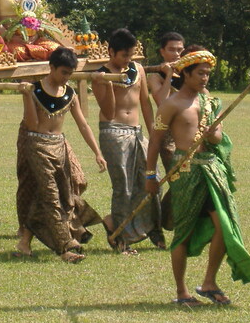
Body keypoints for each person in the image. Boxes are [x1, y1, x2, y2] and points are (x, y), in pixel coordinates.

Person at [145, 48, 250, 307]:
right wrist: (150, 175)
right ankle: (182, 292)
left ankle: (209, 282)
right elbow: (155, 141)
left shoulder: (210, 102)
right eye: (200, 73)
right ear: (186, 74)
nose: (205, 78)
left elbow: (219, 137)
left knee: (224, 225)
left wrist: (213, 134)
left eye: (208, 74)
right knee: (183, 232)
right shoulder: (171, 105)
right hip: (185, 172)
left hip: (212, 169)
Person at [15, 47, 107, 263]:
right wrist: (27, 97)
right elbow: (32, 124)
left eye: (70, 74)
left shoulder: (70, 94)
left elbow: (83, 125)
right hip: (36, 145)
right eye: (63, 72)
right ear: (52, 67)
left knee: (60, 195)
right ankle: (65, 247)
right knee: (50, 196)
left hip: (59, 146)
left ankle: (24, 243)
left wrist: (97, 152)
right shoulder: (34, 90)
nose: (66, 77)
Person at [92, 28, 163, 253]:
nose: (127, 60)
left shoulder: (137, 69)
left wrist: (153, 134)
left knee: (152, 180)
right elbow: (108, 111)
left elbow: (145, 103)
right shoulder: (100, 76)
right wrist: (107, 84)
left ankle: (152, 228)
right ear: (111, 52)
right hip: (113, 132)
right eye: (124, 55)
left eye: (131, 55)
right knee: (124, 186)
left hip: (137, 131)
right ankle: (119, 234)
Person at [146, 32, 185, 172]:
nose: (177, 54)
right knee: (176, 175)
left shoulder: (189, 73)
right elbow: (162, 102)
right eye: (172, 50)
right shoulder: (155, 77)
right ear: (162, 52)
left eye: (180, 50)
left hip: (190, 129)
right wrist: (169, 75)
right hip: (169, 133)